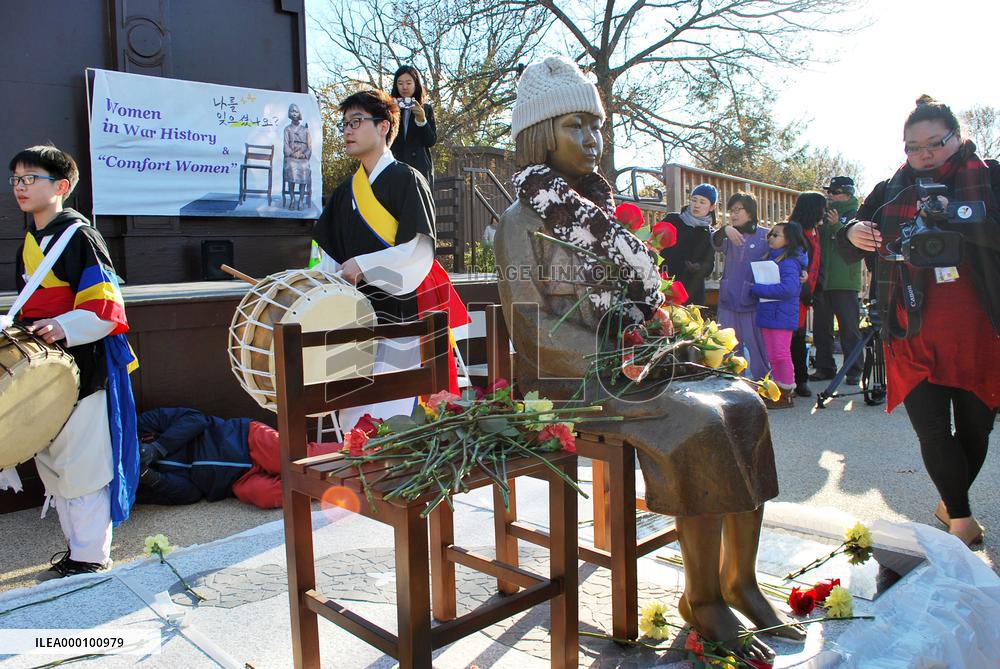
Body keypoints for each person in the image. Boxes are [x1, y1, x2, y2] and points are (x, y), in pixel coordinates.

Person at [495, 56, 796, 663]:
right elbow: (531, 331)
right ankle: (702, 596)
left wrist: (658, 344)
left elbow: (638, 296)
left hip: (634, 361)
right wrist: (628, 360)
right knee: (698, 420)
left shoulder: (599, 213)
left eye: (596, 127)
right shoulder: (519, 220)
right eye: (576, 125)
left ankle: (741, 581)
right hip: (568, 377)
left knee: (741, 400)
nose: (592, 140)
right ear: (539, 133)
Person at [840, 95, 1000, 547]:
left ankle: (950, 504)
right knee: (931, 429)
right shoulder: (891, 190)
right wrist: (850, 230)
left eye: (935, 143)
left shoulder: (989, 179)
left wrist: (961, 219)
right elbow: (848, 238)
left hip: (980, 331)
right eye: (913, 147)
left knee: (975, 429)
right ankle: (963, 520)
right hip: (910, 327)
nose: (924, 155)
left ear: (958, 137)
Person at [6, 145, 139, 578]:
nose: (21, 187)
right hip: (50, 366)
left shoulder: (79, 235)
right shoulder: (34, 237)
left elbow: (106, 307)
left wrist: (63, 326)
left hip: (84, 365)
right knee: (55, 461)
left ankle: (90, 556)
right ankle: (77, 551)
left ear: (61, 187)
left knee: (82, 463)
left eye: (31, 179)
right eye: (16, 180)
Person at [312, 89, 467, 428]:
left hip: (400, 313)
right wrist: (316, 288)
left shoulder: (407, 179)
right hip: (353, 317)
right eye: (344, 125)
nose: (348, 131)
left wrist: (364, 265)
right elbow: (325, 253)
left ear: (384, 127)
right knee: (356, 411)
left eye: (356, 122)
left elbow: (418, 251)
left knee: (394, 411)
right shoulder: (343, 192)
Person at [136, 407, 346, 509]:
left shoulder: (140, 425)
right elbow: (189, 494)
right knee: (270, 496)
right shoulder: (134, 487)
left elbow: (195, 419)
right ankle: (345, 486)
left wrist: (157, 448)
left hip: (245, 439)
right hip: (236, 482)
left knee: (295, 458)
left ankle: (364, 451)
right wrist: (152, 477)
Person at [810, 176, 863, 385]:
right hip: (823, 281)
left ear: (848, 194)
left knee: (849, 328)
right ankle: (825, 368)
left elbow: (855, 245)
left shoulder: (856, 215)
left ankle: (853, 370)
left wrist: (835, 227)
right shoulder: (823, 214)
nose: (830, 196)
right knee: (821, 328)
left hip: (845, 282)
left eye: (835, 192)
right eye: (829, 192)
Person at [750, 222, 809, 409]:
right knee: (774, 355)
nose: (771, 238)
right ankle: (777, 390)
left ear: (788, 240)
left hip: (781, 316)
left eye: (776, 235)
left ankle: (785, 393)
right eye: (771, 234)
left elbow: (789, 289)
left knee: (781, 354)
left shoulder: (789, 262)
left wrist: (758, 289)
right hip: (772, 314)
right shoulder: (775, 258)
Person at [713, 192, 770, 380]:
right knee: (728, 345)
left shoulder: (765, 236)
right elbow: (714, 242)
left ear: (751, 212)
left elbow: (784, 255)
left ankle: (762, 384)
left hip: (753, 302)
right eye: (731, 211)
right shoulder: (729, 234)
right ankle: (732, 383)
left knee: (757, 346)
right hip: (728, 300)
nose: (734, 215)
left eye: (738, 210)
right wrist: (724, 230)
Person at [786, 192, 826, 397]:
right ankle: (796, 380)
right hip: (795, 292)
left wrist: (817, 288)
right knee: (793, 336)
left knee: (799, 335)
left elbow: (818, 262)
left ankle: (799, 379)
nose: (825, 212)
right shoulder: (794, 231)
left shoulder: (814, 231)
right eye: (822, 208)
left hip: (807, 291)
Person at [658, 184, 717, 305]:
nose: (697, 205)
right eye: (694, 200)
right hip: (664, 281)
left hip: (691, 292)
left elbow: (709, 265)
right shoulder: (673, 219)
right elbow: (654, 240)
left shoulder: (710, 233)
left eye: (702, 202)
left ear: (712, 207)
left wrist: (698, 267)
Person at [389, 65, 437, 188]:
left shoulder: (425, 108)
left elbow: (430, 141)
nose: (404, 87)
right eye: (400, 83)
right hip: (396, 169)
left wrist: (422, 121)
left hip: (419, 170)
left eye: (408, 83)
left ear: (416, 84)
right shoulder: (391, 110)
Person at [282, 103, 312, 211]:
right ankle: (293, 199)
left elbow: (309, 147)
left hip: (302, 158)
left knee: (305, 169)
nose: (294, 113)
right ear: (289, 114)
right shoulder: (287, 129)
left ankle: (301, 200)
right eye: (292, 111)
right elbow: (285, 145)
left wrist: (304, 154)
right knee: (291, 167)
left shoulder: (305, 130)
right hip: (291, 157)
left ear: (299, 113)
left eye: (296, 111)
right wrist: (292, 153)